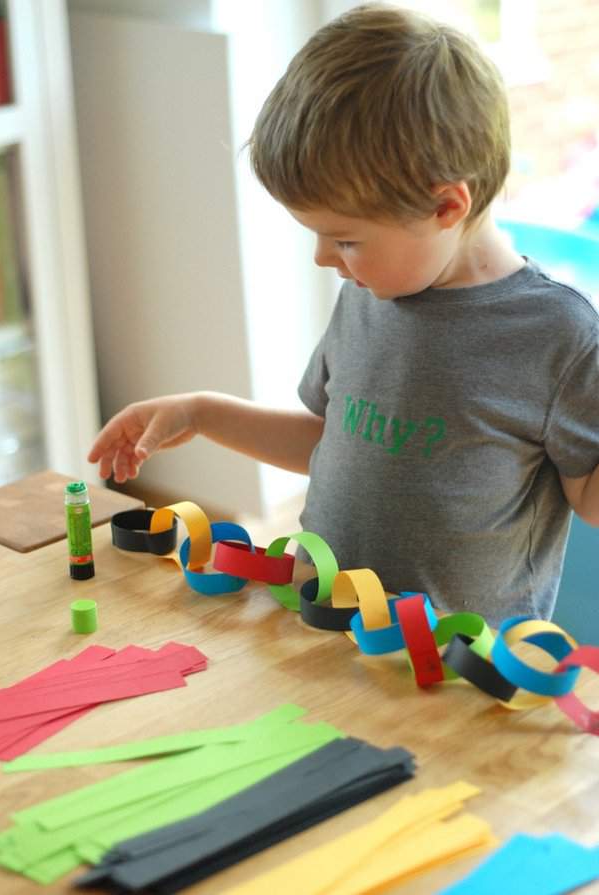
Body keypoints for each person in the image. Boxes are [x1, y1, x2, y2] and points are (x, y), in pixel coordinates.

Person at [88, 4, 599, 625]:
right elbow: (337, 442)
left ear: (446, 206)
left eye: (347, 239)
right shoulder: (368, 292)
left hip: (456, 677)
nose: (323, 259)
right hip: (326, 633)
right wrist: (202, 411)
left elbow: (588, 499)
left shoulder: (554, 335)